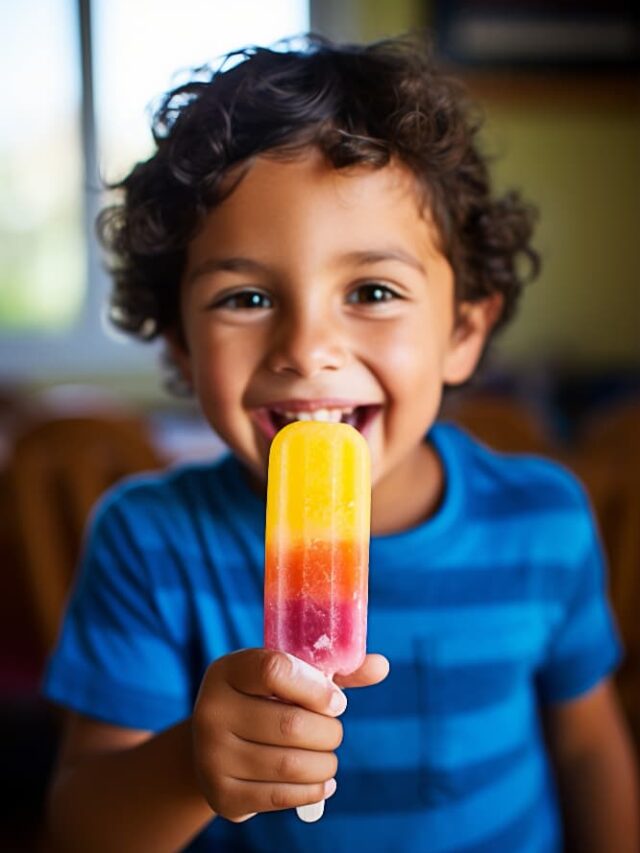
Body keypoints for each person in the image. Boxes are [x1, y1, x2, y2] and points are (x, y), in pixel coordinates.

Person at [42, 36, 638, 852]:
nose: (307, 346)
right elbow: (79, 827)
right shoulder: (148, 542)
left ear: (463, 331)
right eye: (246, 295)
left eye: (371, 290)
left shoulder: (546, 519)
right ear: (180, 345)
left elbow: (589, 745)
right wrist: (189, 765)